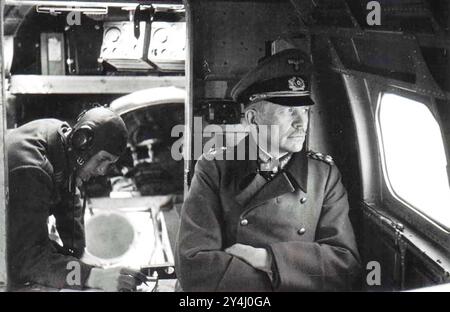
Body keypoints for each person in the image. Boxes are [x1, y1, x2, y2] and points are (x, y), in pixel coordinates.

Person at [176, 49, 361, 291]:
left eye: (305, 110)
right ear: (253, 119)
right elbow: (195, 267)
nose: (302, 123)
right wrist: (294, 278)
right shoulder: (214, 169)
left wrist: (268, 260)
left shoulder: (324, 176)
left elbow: (344, 264)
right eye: (289, 111)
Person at [7, 107, 147, 291]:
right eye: (102, 160)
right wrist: (92, 277)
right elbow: (26, 260)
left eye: (109, 164)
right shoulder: (31, 169)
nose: (102, 171)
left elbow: (68, 195)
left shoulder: (60, 139)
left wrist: (82, 257)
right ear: (82, 142)